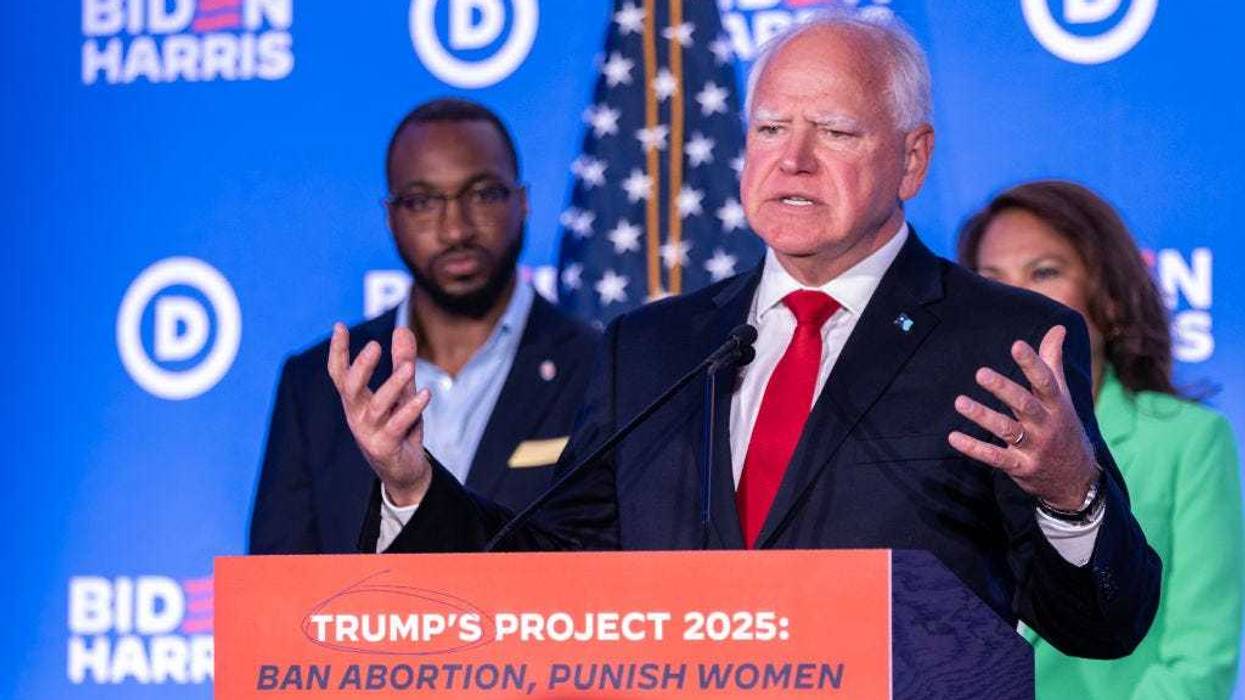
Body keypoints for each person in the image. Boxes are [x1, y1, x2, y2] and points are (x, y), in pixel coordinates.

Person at [327, 11, 1160, 657]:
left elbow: (1099, 625)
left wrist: (1068, 495)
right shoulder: (649, 347)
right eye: (769, 130)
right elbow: (552, 574)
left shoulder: (1002, 340)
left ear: (911, 159)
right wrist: (410, 485)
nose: (791, 160)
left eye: (833, 132)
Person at [250, 98, 599, 554]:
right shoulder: (316, 384)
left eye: (484, 193)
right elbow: (281, 593)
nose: (456, 229)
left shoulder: (599, 368)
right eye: (422, 202)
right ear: (391, 217)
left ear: (524, 202)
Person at [958, 180, 1244, 698]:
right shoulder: (949, 440)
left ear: (1109, 297)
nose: (1014, 297)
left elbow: (1200, 661)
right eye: (989, 278)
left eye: (1043, 273)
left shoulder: (1188, 441)